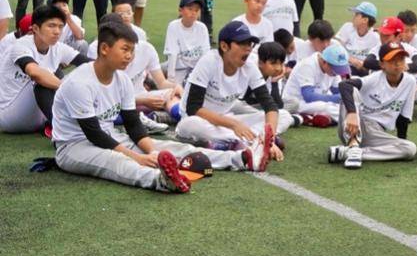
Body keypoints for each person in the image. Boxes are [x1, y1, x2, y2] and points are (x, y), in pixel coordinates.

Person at [51, 22, 269, 196]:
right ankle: (161, 181)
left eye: (132, 51)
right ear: (105, 49)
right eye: (125, 49)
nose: (130, 56)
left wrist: (151, 151)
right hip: (74, 147)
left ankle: (242, 158)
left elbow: (134, 126)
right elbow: (94, 134)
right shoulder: (79, 82)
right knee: (118, 161)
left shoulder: (122, 80)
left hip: (111, 137)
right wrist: (138, 157)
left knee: (172, 147)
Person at [173, 21, 282, 165]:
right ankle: (250, 142)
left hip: (225, 119)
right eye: (242, 44)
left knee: (283, 115)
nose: (248, 49)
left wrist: (271, 138)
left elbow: (270, 106)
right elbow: (193, 108)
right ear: (224, 46)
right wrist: (234, 125)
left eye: (250, 44)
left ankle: (250, 142)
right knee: (190, 125)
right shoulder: (209, 62)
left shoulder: (249, 67)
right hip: (202, 120)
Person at [0, 4, 91, 134]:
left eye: (60, 26)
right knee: (44, 77)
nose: (57, 31)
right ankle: (62, 129)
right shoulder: (21, 45)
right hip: (10, 116)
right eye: (51, 26)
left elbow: (91, 65)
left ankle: (71, 121)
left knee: (83, 73)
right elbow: (35, 73)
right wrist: (69, 88)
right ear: (36, 28)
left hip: (38, 115)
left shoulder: (58, 47)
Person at [333, 42, 417, 169]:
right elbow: (344, 85)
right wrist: (352, 114)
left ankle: (352, 153)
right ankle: (353, 144)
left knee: (410, 148)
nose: (397, 63)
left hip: (376, 133)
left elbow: (403, 118)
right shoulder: (375, 78)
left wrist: (401, 141)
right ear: (382, 64)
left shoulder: (410, 82)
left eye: (401, 59)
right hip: (354, 125)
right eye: (392, 60)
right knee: (353, 91)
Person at [90, 14, 181, 130]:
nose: (128, 55)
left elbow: (162, 83)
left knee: (171, 95)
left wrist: (177, 87)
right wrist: (144, 101)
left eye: (130, 49)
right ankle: (147, 117)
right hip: (115, 102)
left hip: (139, 96)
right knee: (105, 111)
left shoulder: (145, 48)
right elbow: (106, 95)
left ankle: (181, 116)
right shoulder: (97, 50)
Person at [282, 43, 347, 124]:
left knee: (344, 104)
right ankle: (348, 120)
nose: (337, 72)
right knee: (326, 107)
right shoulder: (307, 65)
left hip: (318, 100)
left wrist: (345, 98)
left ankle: (312, 118)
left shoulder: (332, 69)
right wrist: (334, 98)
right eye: (336, 68)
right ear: (324, 62)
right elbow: (308, 96)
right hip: (298, 102)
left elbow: (338, 91)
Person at [164, 0, 210, 87]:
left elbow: (206, 54)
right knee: (154, 74)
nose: (193, 13)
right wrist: (170, 79)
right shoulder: (173, 26)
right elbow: (172, 54)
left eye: (197, 10)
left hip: (196, 69)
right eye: (190, 9)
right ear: (180, 10)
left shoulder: (202, 28)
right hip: (178, 68)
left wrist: (204, 75)